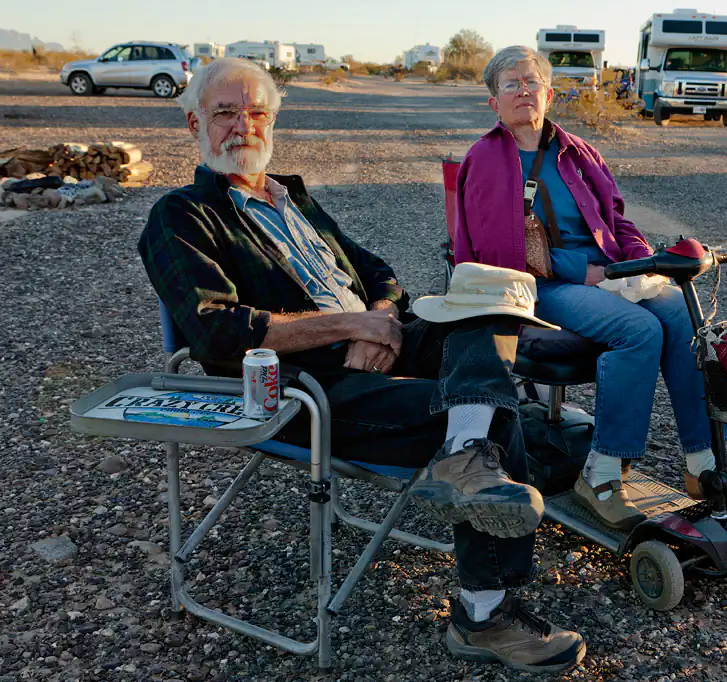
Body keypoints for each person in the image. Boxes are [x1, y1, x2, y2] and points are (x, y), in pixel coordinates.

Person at [137, 58, 585, 674]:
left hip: (375, 343)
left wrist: (382, 319)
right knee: (493, 412)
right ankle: (482, 616)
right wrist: (352, 326)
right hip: (303, 387)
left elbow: (379, 273)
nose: (244, 125)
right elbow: (216, 331)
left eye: (257, 112)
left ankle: (463, 456)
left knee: (490, 310)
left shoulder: (292, 198)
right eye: (225, 113)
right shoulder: (182, 215)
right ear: (194, 123)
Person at [454, 46, 727, 531]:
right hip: (535, 286)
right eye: (510, 84)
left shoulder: (578, 152)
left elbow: (617, 220)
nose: (523, 91)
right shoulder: (486, 159)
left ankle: (705, 462)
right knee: (638, 329)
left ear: (548, 94)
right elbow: (496, 248)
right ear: (493, 102)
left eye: (531, 81)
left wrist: (642, 260)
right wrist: (583, 271)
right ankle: (602, 474)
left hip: (608, 273)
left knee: (683, 315)